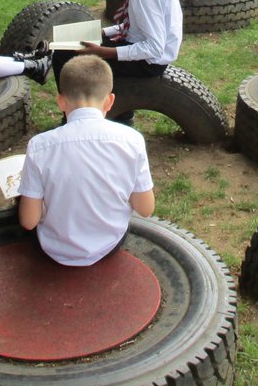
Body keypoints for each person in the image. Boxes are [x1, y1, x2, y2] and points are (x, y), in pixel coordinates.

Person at [17, 55, 155, 266]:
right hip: (109, 245)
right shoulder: (132, 140)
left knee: (23, 202)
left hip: (54, 248)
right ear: (109, 101)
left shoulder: (40, 145)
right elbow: (145, 209)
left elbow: (28, 221)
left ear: (61, 101)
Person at [69, 0, 183, 122]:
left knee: (69, 57)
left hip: (149, 62)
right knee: (71, 44)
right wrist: (102, 33)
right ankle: (118, 112)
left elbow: (154, 48)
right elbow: (135, 26)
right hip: (138, 44)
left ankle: (78, 119)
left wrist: (104, 52)